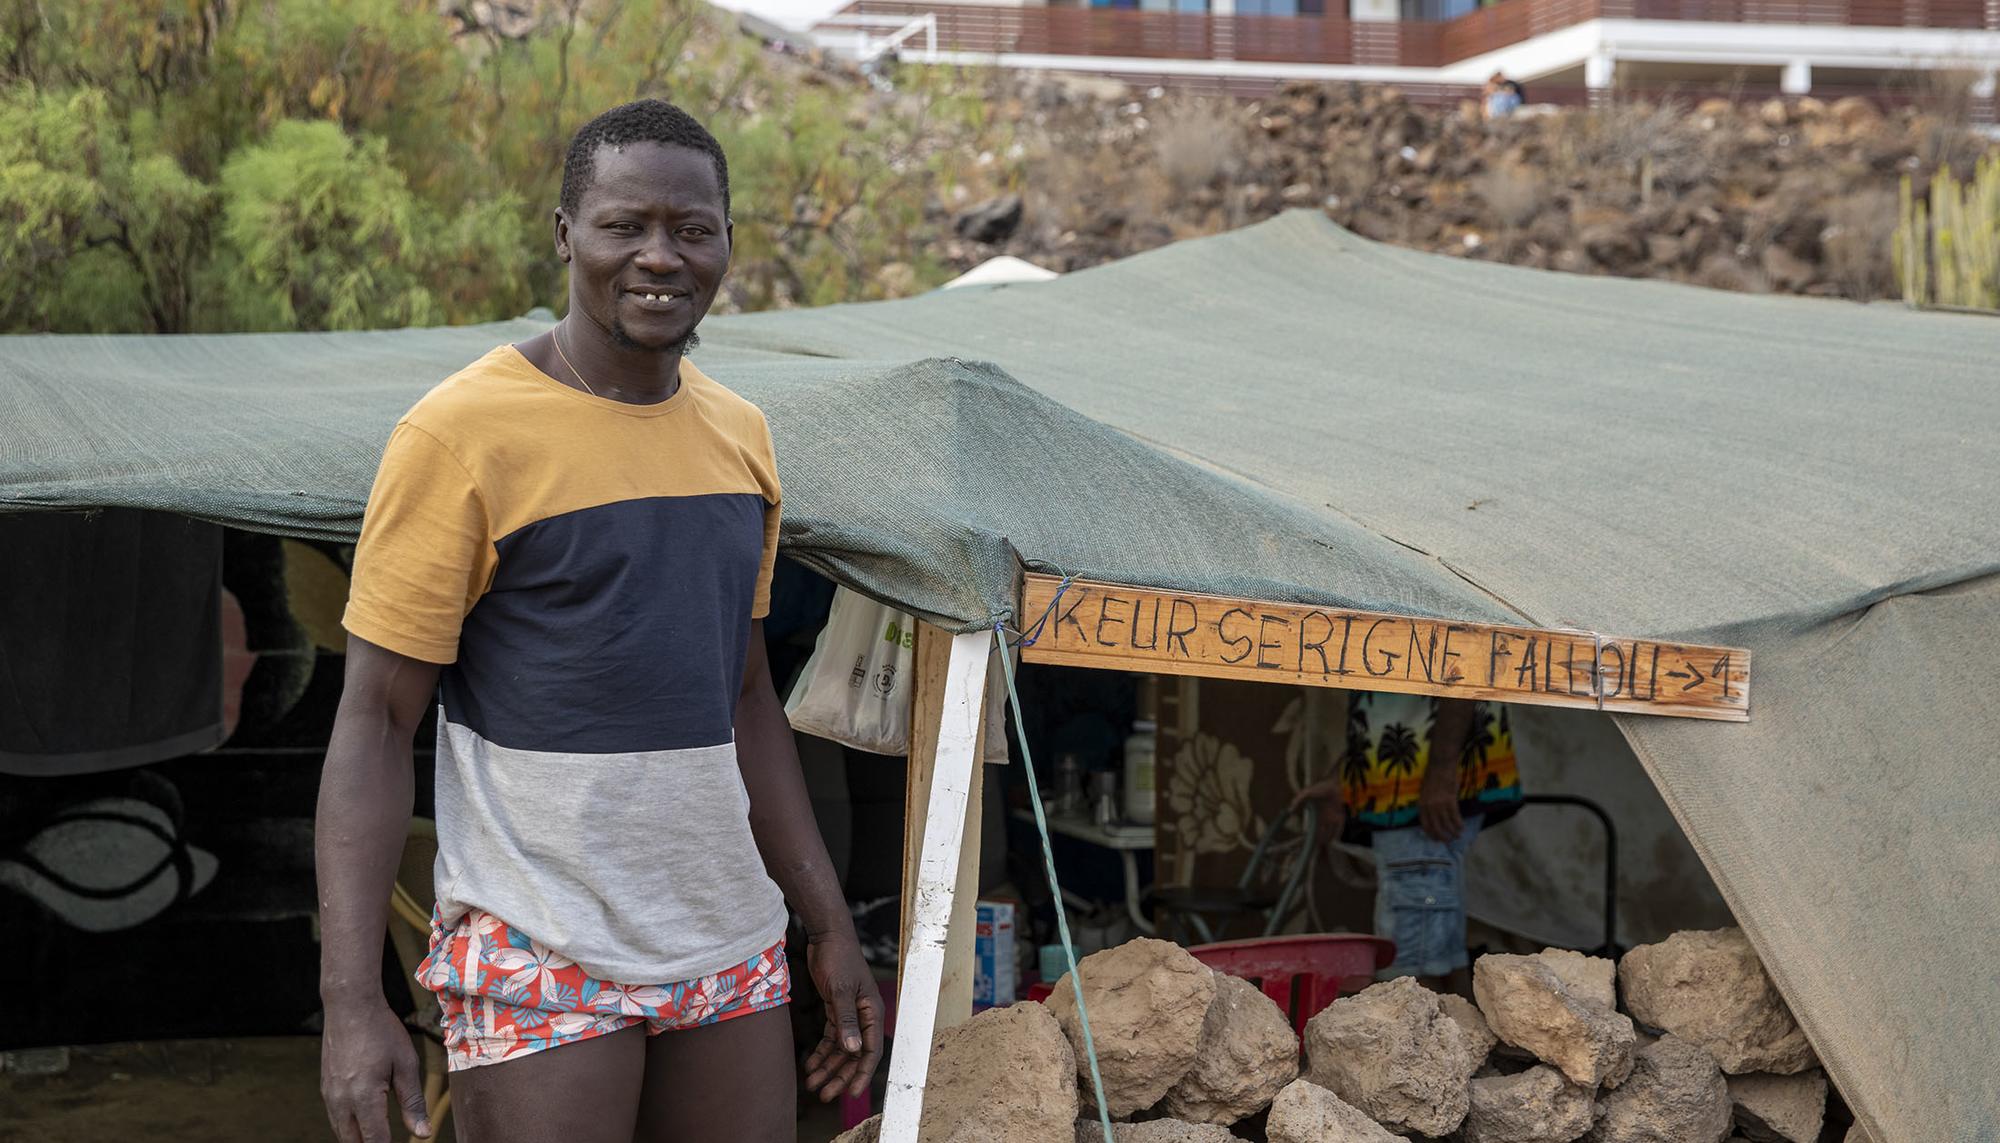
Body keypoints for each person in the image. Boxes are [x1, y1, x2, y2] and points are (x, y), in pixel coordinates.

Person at [314, 99, 880, 1143]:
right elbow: (373, 723)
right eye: (625, 225)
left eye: (690, 228)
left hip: (726, 943)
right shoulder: (458, 435)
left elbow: (746, 696)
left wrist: (828, 922)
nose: (659, 257)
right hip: (540, 940)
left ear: (724, 242)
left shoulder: (739, 437)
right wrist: (352, 1003)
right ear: (565, 233)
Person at [1294, 693, 1520, 993]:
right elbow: (1392, 707)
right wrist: (1345, 772)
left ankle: (1421, 1038)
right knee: (1438, 948)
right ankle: (1450, 1033)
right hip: (1409, 777)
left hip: (1422, 782)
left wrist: (1441, 770)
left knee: (1410, 967)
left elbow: (1461, 666)